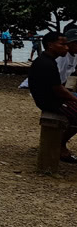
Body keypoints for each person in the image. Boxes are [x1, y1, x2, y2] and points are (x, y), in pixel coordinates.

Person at [27, 31, 77, 163]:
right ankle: (59, 145)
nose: (66, 47)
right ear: (50, 45)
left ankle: (59, 143)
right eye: (63, 44)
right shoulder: (46, 64)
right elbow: (59, 89)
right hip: (51, 102)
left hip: (54, 99)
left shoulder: (48, 60)